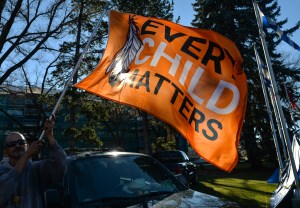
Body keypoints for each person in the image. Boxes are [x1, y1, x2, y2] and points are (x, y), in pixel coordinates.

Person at [0, 117, 67, 207]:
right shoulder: (1, 172)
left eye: (21, 142)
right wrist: (26, 155)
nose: (17, 145)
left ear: (27, 146)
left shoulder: (37, 169)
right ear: (5, 151)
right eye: (11, 144)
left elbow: (60, 165)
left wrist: (50, 136)